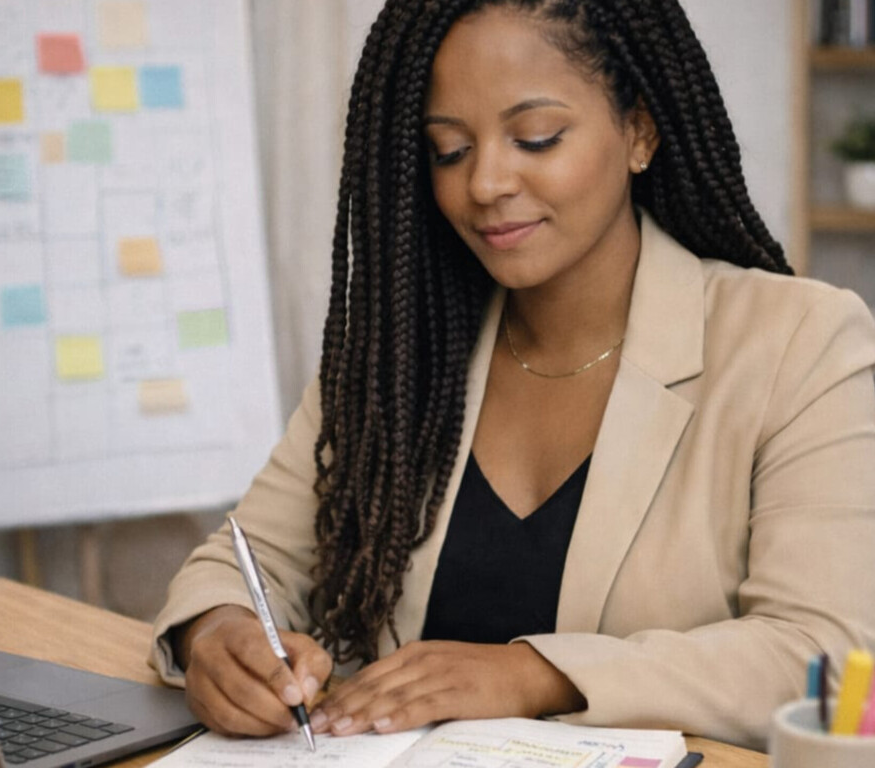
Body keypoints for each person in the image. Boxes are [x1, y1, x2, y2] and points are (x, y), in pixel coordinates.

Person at [150, 0, 875, 752]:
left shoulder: (799, 341)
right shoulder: (402, 351)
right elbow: (247, 559)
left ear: (639, 130)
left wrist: (533, 674)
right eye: (449, 150)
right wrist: (219, 635)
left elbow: (822, 655)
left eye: (536, 138)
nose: (487, 182)